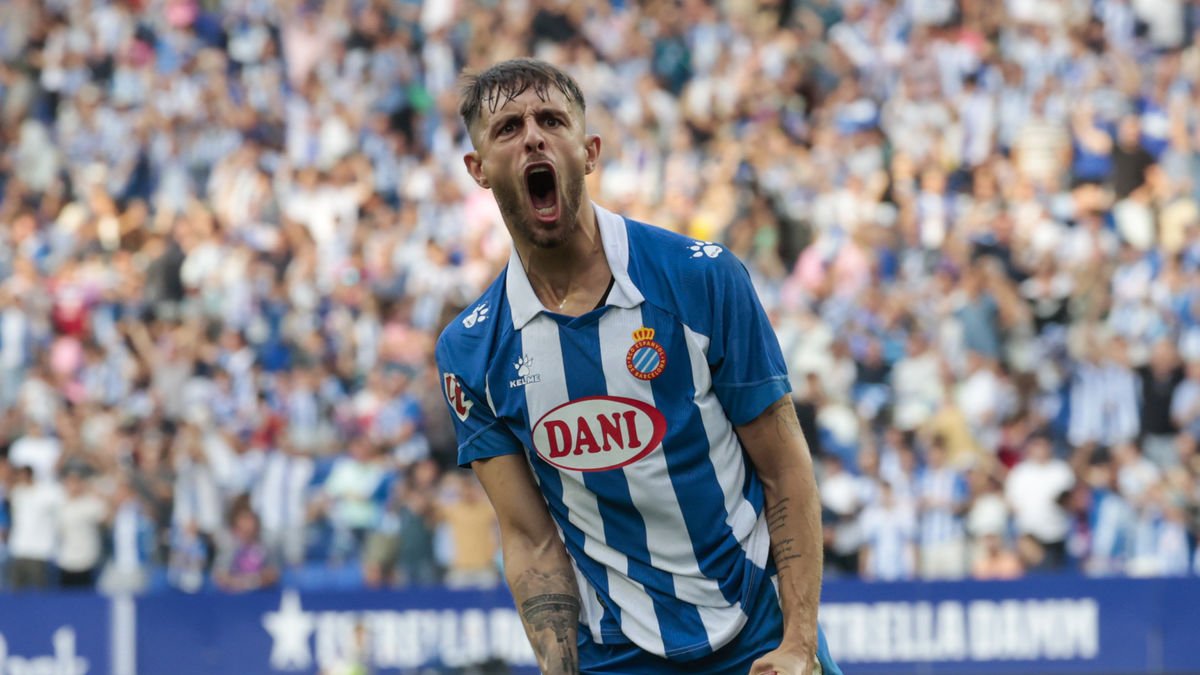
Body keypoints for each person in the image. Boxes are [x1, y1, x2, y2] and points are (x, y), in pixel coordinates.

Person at [436, 59, 840, 675]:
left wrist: (799, 644)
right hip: (614, 655)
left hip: (759, 632)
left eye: (551, 120)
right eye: (508, 128)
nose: (534, 137)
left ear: (589, 150)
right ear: (479, 170)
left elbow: (786, 468)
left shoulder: (700, 277)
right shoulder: (472, 350)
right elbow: (529, 537)